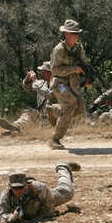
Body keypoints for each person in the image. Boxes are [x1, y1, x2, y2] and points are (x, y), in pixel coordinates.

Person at [48, 19, 90, 150]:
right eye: (73, 33)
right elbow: (55, 70)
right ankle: (55, 139)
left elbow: (82, 66)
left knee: (81, 109)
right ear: (66, 34)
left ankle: (55, 110)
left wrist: (86, 79)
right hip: (60, 83)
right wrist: (74, 69)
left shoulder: (79, 48)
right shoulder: (59, 50)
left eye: (77, 33)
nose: (76, 36)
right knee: (71, 103)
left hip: (74, 83)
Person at [0, 161, 81, 223]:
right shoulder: (6, 195)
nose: (18, 190)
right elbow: (2, 215)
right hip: (33, 210)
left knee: (68, 192)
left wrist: (38, 218)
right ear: (10, 186)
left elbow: (49, 204)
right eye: (15, 188)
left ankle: (63, 167)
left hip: (47, 198)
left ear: (26, 184)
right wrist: (11, 217)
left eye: (21, 187)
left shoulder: (38, 188)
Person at [0, 61, 57, 132]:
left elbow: (48, 94)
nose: (41, 73)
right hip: (42, 115)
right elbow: (28, 89)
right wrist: (28, 80)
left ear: (50, 73)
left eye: (43, 71)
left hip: (53, 117)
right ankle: (16, 126)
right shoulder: (42, 83)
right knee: (29, 112)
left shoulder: (59, 84)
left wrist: (35, 80)